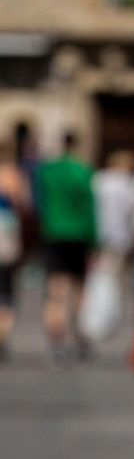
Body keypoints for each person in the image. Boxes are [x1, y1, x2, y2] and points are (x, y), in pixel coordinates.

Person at [35, 131, 96, 362]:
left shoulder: (47, 172)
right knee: (79, 290)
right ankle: (79, 335)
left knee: (55, 291)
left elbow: (39, 203)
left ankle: (57, 342)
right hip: (79, 235)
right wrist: (94, 240)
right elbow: (91, 210)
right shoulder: (83, 171)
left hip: (54, 233)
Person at [0, 138, 31, 362]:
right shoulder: (13, 174)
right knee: (7, 287)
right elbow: (25, 204)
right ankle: (1, 336)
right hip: (6, 231)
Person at [93, 148, 134, 262]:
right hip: (120, 236)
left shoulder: (99, 179)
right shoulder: (128, 184)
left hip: (97, 233)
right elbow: (133, 211)